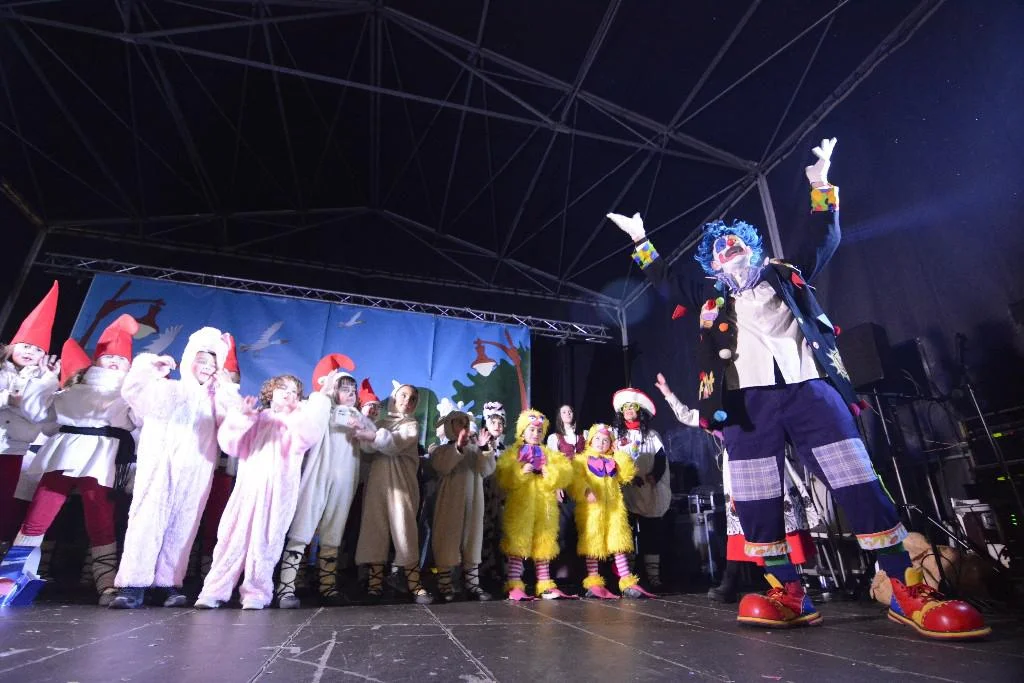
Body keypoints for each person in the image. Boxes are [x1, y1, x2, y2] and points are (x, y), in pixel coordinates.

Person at [607, 137, 989, 638]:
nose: (728, 249)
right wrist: (641, 239)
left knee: (858, 482)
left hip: (810, 389)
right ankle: (787, 591)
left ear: (752, 246)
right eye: (720, 248)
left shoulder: (787, 274)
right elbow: (664, 281)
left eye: (735, 242)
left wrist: (820, 184)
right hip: (744, 405)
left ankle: (906, 588)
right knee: (756, 500)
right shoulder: (709, 297)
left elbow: (823, 238)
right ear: (713, 265)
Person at [654, 372, 817, 603]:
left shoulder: (763, 405)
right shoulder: (721, 415)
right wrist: (668, 394)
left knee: (775, 524)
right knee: (743, 527)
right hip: (739, 469)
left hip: (768, 462)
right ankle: (738, 583)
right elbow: (690, 416)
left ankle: (790, 588)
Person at [109, 327, 240, 609]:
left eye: (213, 363)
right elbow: (133, 392)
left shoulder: (218, 401)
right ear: (189, 358)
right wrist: (148, 367)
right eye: (201, 361)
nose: (207, 368)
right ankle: (133, 583)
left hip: (197, 471)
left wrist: (228, 390)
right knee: (146, 521)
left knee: (184, 525)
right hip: (158, 467)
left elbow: (235, 432)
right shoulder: (168, 389)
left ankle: (167, 581)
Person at [13, 316, 140, 606]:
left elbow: (139, 422)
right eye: (109, 356)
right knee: (39, 513)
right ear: (97, 359)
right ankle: (13, 576)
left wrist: (143, 387)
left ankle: (106, 583)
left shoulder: (129, 395)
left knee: (100, 518)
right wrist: (46, 380)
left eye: (121, 359)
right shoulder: (71, 391)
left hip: (103, 457)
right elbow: (40, 416)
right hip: (65, 452)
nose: (114, 362)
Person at [195, 374, 329, 610]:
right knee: (231, 539)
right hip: (247, 490)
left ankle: (256, 592)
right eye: (283, 388)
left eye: (294, 392)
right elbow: (230, 444)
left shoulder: (298, 421)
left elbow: (308, 437)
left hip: (279, 493)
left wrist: (296, 415)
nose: (288, 394)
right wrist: (241, 417)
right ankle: (214, 590)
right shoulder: (258, 418)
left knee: (267, 542)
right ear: (271, 392)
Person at [353, 382, 433, 604]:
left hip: (402, 486)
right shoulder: (380, 423)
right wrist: (365, 430)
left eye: (413, 398)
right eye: (403, 395)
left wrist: (371, 435)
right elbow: (367, 447)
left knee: (405, 531)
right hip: (378, 485)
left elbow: (394, 443)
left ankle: (414, 584)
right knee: (374, 531)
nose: (407, 401)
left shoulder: (411, 425)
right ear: (394, 398)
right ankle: (375, 584)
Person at [1, 281, 60, 543]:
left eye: (37, 349)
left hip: (13, 451)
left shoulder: (43, 379)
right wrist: (8, 399)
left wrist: (47, 382)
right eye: (26, 345)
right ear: (14, 345)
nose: (30, 352)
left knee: (3, 502)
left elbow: (42, 417)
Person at [496, 408, 574, 600]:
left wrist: (551, 474)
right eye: (531, 429)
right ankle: (514, 583)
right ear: (522, 431)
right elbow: (503, 475)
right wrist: (520, 472)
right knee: (518, 542)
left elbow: (565, 472)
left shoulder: (548, 453)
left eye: (539, 431)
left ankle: (544, 583)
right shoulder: (514, 452)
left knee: (544, 542)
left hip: (544, 505)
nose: (535, 433)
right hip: (521, 504)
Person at [570, 423, 654, 599]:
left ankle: (626, 581)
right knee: (593, 546)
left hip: (614, 510)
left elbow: (627, 475)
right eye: (597, 439)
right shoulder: (582, 460)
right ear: (590, 441)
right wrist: (585, 490)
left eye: (605, 440)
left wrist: (620, 454)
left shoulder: (614, 460)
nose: (601, 443)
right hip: (592, 511)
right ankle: (593, 582)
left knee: (618, 545)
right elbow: (575, 479)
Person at [430, 409, 496, 601]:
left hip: (473, 502)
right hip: (449, 502)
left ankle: (472, 584)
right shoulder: (441, 450)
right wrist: (458, 447)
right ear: (449, 426)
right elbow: (442, 466)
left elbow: (486, 470)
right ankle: (445, 584)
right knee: (446, 539)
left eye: (466, 423)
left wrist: (484, 449)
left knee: (472, 539)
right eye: (459, 422)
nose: (464, 426)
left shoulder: (475, 450)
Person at [612, 388, 670, 590]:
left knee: (651, 533)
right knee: (626, 535)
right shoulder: (615, 436)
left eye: (632, 407)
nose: (629, 410)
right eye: (625, 408)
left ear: (639, 410)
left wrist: (654, 475)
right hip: (625, 491)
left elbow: (661, 458)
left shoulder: (652, 435)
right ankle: (628, 577)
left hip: (648, 491)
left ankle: (653, 577)